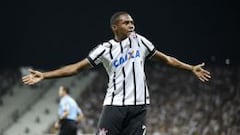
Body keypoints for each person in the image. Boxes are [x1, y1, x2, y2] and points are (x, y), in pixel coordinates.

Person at [22, 11, 211, 135]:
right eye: (126, 22)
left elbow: (167, 59)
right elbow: (77, 68)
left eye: (132, 22)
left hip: (139, 106)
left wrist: (190, 68)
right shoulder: (105, 49)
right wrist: (45, 75)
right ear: (115, 27)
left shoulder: (141, 42)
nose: (131, 25)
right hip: (115, 105)